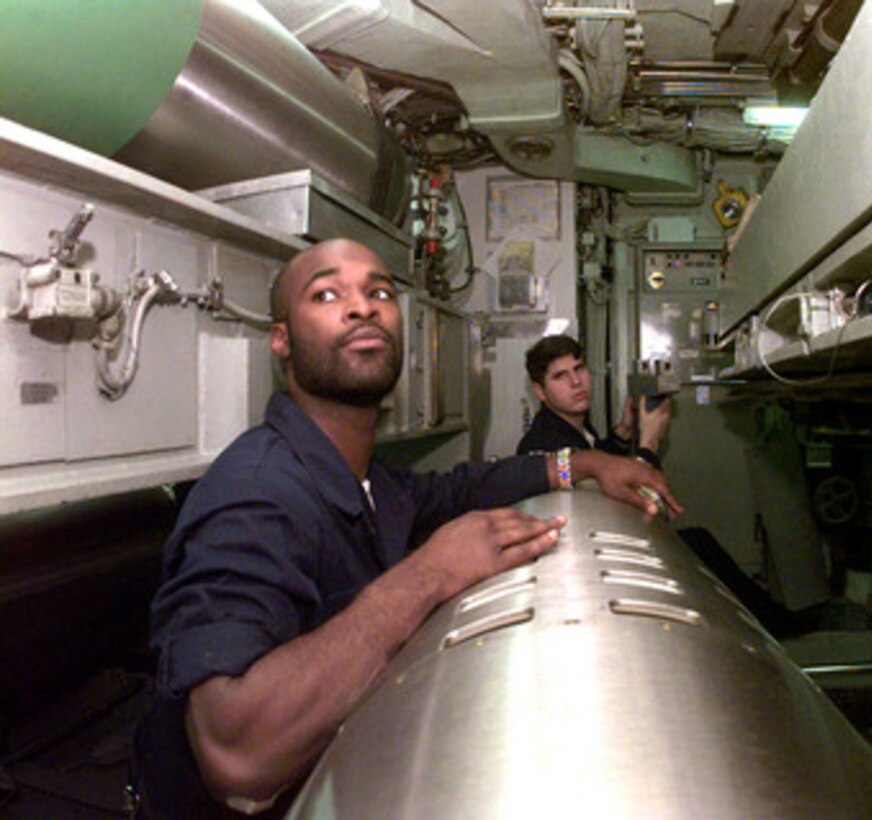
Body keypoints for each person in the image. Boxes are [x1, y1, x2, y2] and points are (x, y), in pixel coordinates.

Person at [131, 239, 681, 818]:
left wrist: (586, 463)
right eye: (325, 293)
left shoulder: (369, 480)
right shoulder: (255, 492)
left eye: (380, 292)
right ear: (282, 341)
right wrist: (428, 575)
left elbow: (468, 487)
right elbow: (236, 752)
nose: (362, 307)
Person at [516, 334, 671, 468]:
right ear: (540, 391)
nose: (576, 381)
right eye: (561, 376)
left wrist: (625, 429)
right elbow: (623, 493)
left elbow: (598, 466)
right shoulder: (547, 451)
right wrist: (650, 442)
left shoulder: (575, 425)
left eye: (579, 368)